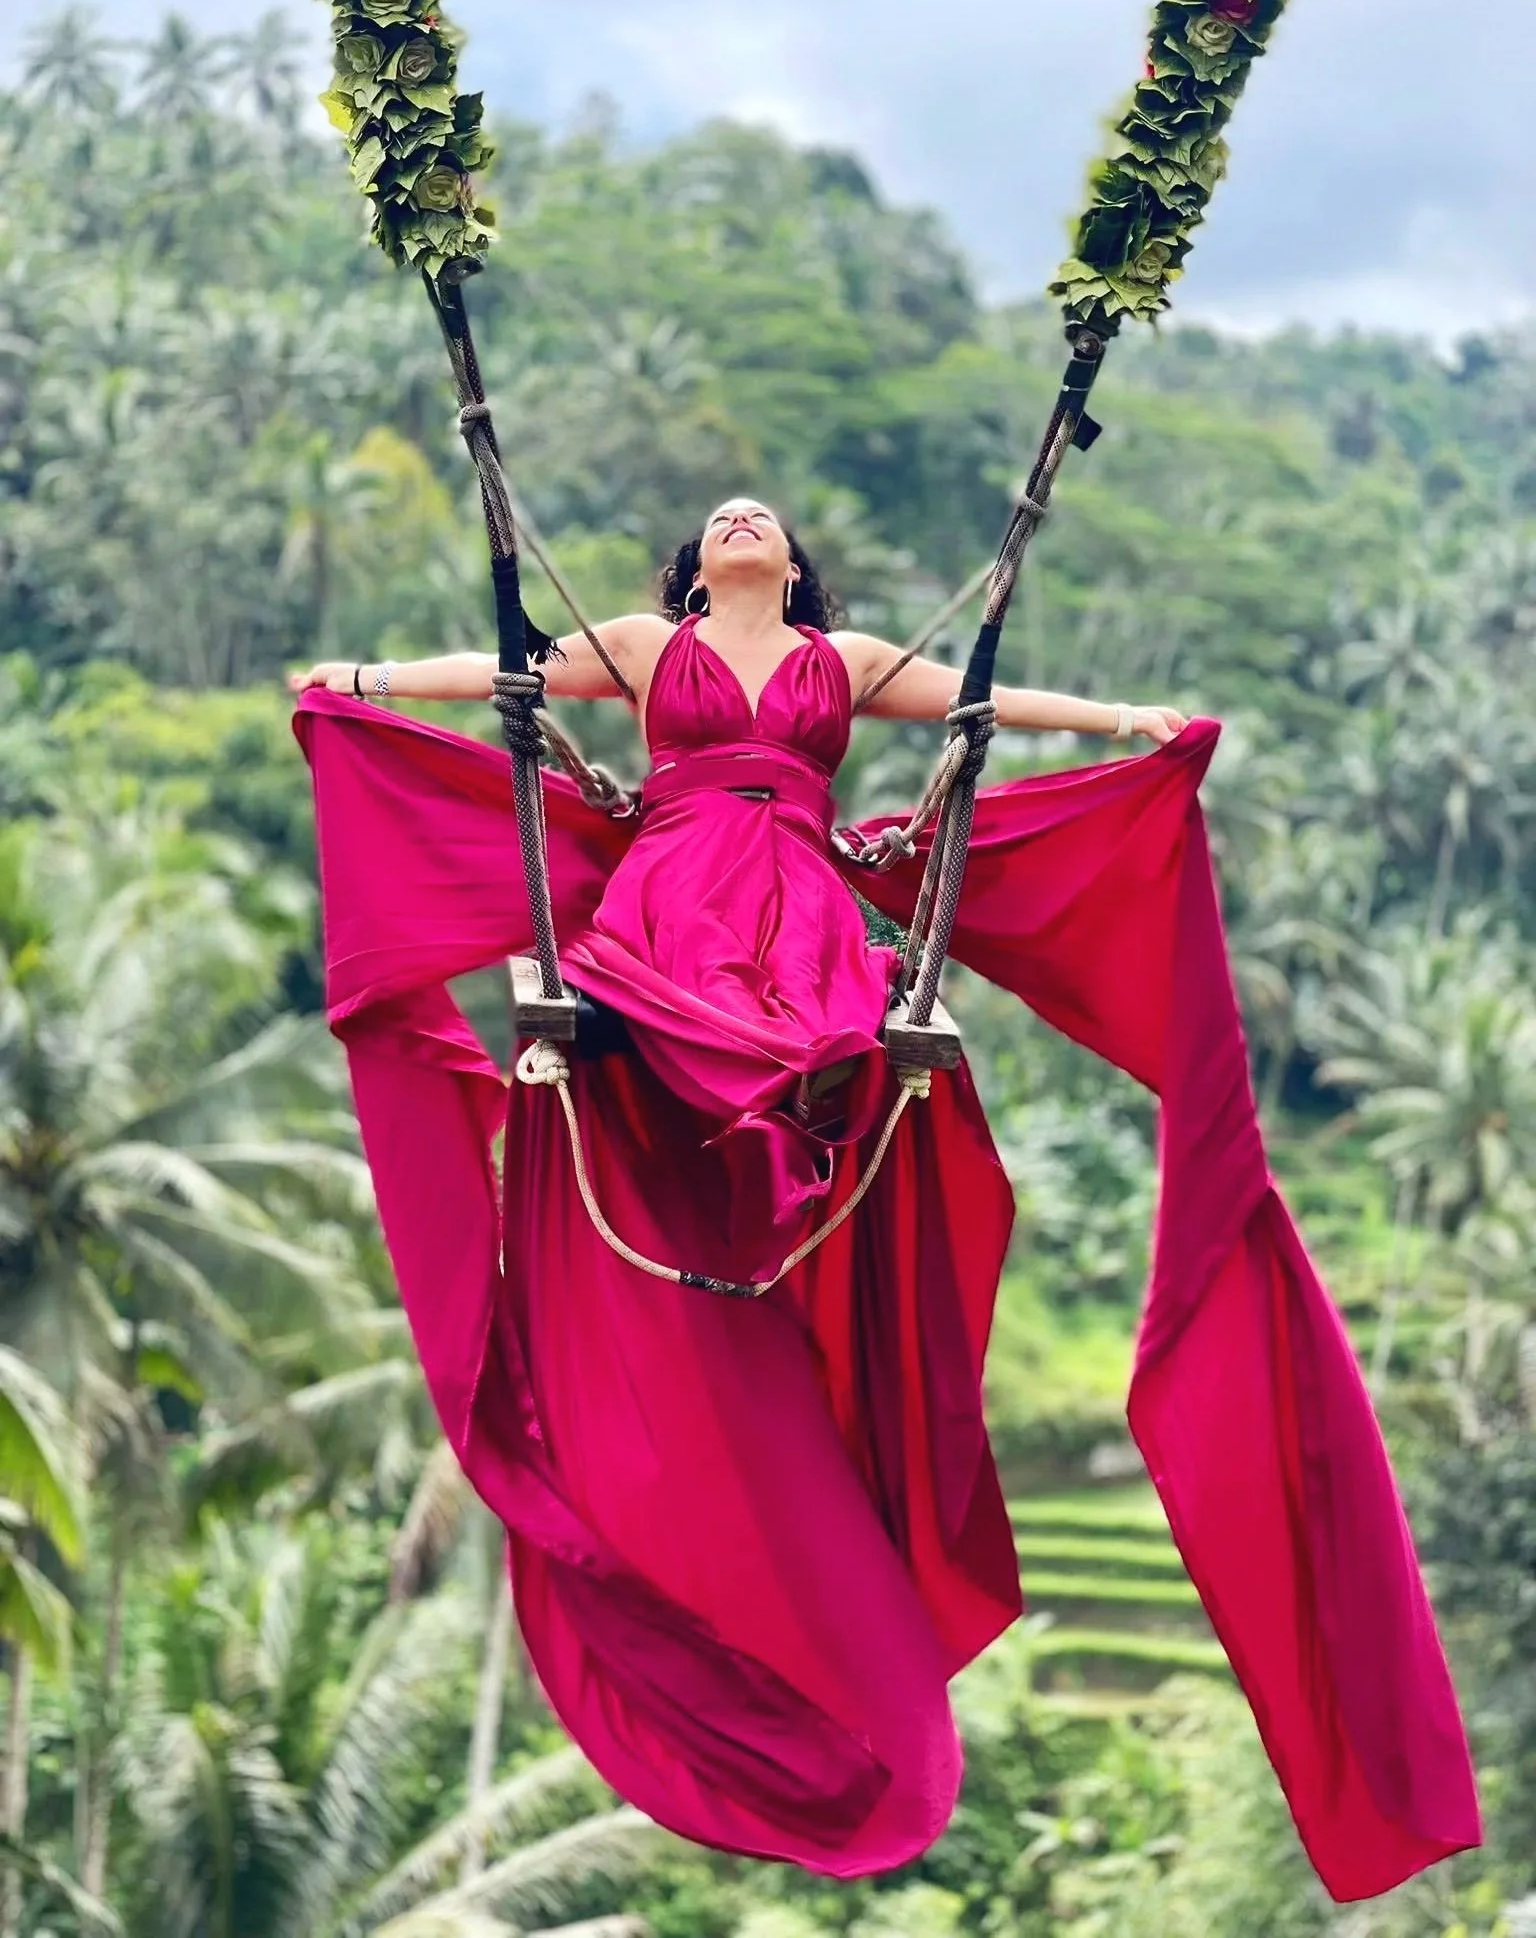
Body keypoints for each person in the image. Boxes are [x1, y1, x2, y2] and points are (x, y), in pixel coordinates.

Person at [291, 498, 1478, 1899]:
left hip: (798, 906)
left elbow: (980, 704)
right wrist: (362, 681)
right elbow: (503, 675)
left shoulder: (841, 661)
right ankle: (637, 1055)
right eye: (719, 518)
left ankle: (795, 1128)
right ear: (695, 568)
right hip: (666, 896)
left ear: (792, 564)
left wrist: (1122, 721)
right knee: (638, 1001)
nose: (742, 517)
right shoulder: (641, 647)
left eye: (762, 518)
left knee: (840, 1034)